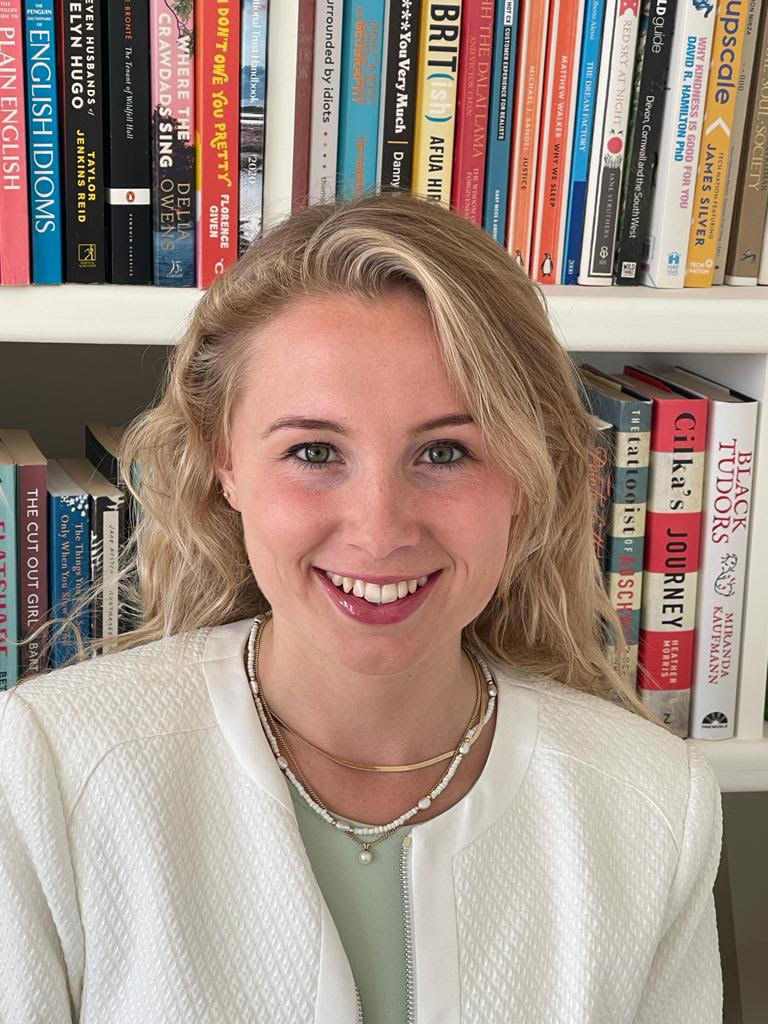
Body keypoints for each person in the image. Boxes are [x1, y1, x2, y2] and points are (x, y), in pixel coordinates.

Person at [0, 192, 722, 1024]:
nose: (380, 530)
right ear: (223, 461)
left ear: (531, 472)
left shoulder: (656, 807)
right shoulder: (53, 768)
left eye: (446, 452)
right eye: (314, 451)